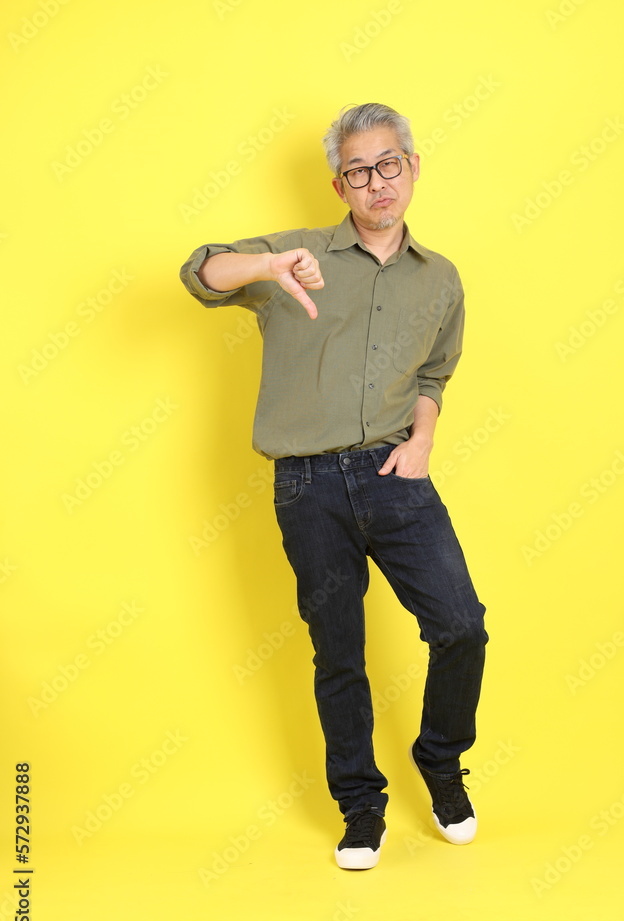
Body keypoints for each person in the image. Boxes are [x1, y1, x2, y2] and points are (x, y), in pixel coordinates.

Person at [179, 102, 489, 870]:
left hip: (394, 477)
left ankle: (441, 763)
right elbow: (199, 270)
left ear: (411, 167)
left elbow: (431, 374)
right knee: (337, 652)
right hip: (307, 487)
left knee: (461, 626)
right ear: (338, 183)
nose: (376, 182)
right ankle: (360, 806)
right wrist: (265, 268)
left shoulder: (440, 278)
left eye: (389, 163)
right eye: (358, 170)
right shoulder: (296, 255)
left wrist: (421, 440)